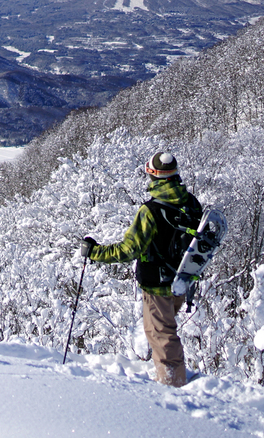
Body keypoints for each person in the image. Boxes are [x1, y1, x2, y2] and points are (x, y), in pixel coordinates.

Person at [80, 151, 203, 387]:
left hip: (157, 285)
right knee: (164, 331)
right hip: (182, 281)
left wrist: (95, 252)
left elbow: (128, 250)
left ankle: (173, 386)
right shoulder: (192, 203)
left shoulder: (151, 211)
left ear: (154, 176)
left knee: (162, 335)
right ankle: (170, 377)